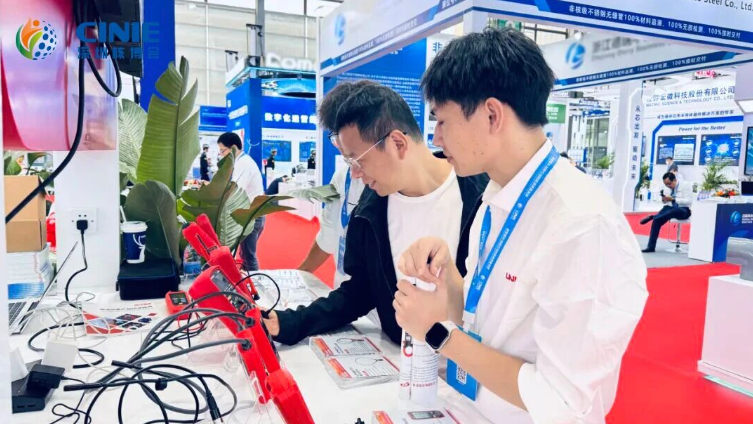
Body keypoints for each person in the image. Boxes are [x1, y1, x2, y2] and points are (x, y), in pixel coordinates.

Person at [395, 28, 648, 424]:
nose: (437, 138)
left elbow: (558, 398)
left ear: (492, 115)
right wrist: (449, 279)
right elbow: (486, 318)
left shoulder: (581, 222)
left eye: (442, 121)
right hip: (472, 410)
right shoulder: (496, 197)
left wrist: (436, 332)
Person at [264, 82, 488, 346]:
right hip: (401, 361)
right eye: (349, 163)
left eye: (358, 161)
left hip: (473, 363)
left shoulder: (483, 195)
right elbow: (360, 291)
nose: (355, 174)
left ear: (397, 143)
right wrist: (292, 322)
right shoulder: (368, 213)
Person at [298, 81, 371, 289]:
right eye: (335, 137)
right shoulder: (342, 177)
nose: (340, 146)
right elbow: (328, 236)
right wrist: (299, 274)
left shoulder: (393, 185)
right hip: (343, 294)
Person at [217, 132, 265, 271]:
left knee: (249, 256)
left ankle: (255, 282)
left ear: (232, 148)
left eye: (222, 150)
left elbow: (235, 191)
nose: (221, 154)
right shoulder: (239, 162)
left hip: (252, 216)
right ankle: (247, 282)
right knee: (245, 254)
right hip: (249, 214)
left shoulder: (244, 164)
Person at [639, 172, 692, 253]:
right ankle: (651, 247)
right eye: (666, 184)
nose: (668, 186)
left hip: (683, 209)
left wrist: (674, 199)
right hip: (669, 208)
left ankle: (652, 217)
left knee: (674, 210)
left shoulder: (686, 185)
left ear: (675, 180)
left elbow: (689, 201)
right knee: (656, 221)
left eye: (669, 184)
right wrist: (664, 199)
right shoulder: (666, 187)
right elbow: (665, 202)